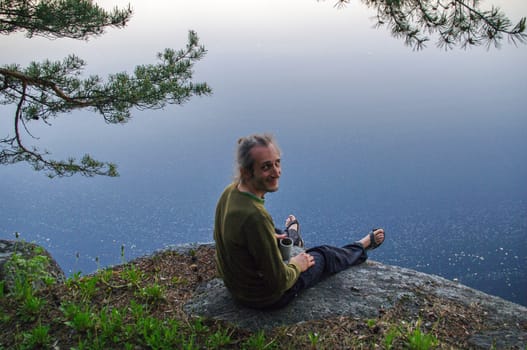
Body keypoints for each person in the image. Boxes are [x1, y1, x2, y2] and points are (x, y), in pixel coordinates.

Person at [213, 133, 385, 309]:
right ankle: (360, 247)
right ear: (246, 172)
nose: (276, 172)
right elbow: (279, 282)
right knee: (325, 254)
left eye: (277, 162)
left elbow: (230, 236)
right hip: (262, 297)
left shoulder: (231, 192)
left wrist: (268, 239)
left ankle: (292, 236)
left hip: (236, 286)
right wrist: (297, 265)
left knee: (277, 233)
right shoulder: (255, 216)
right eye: (266, 167)